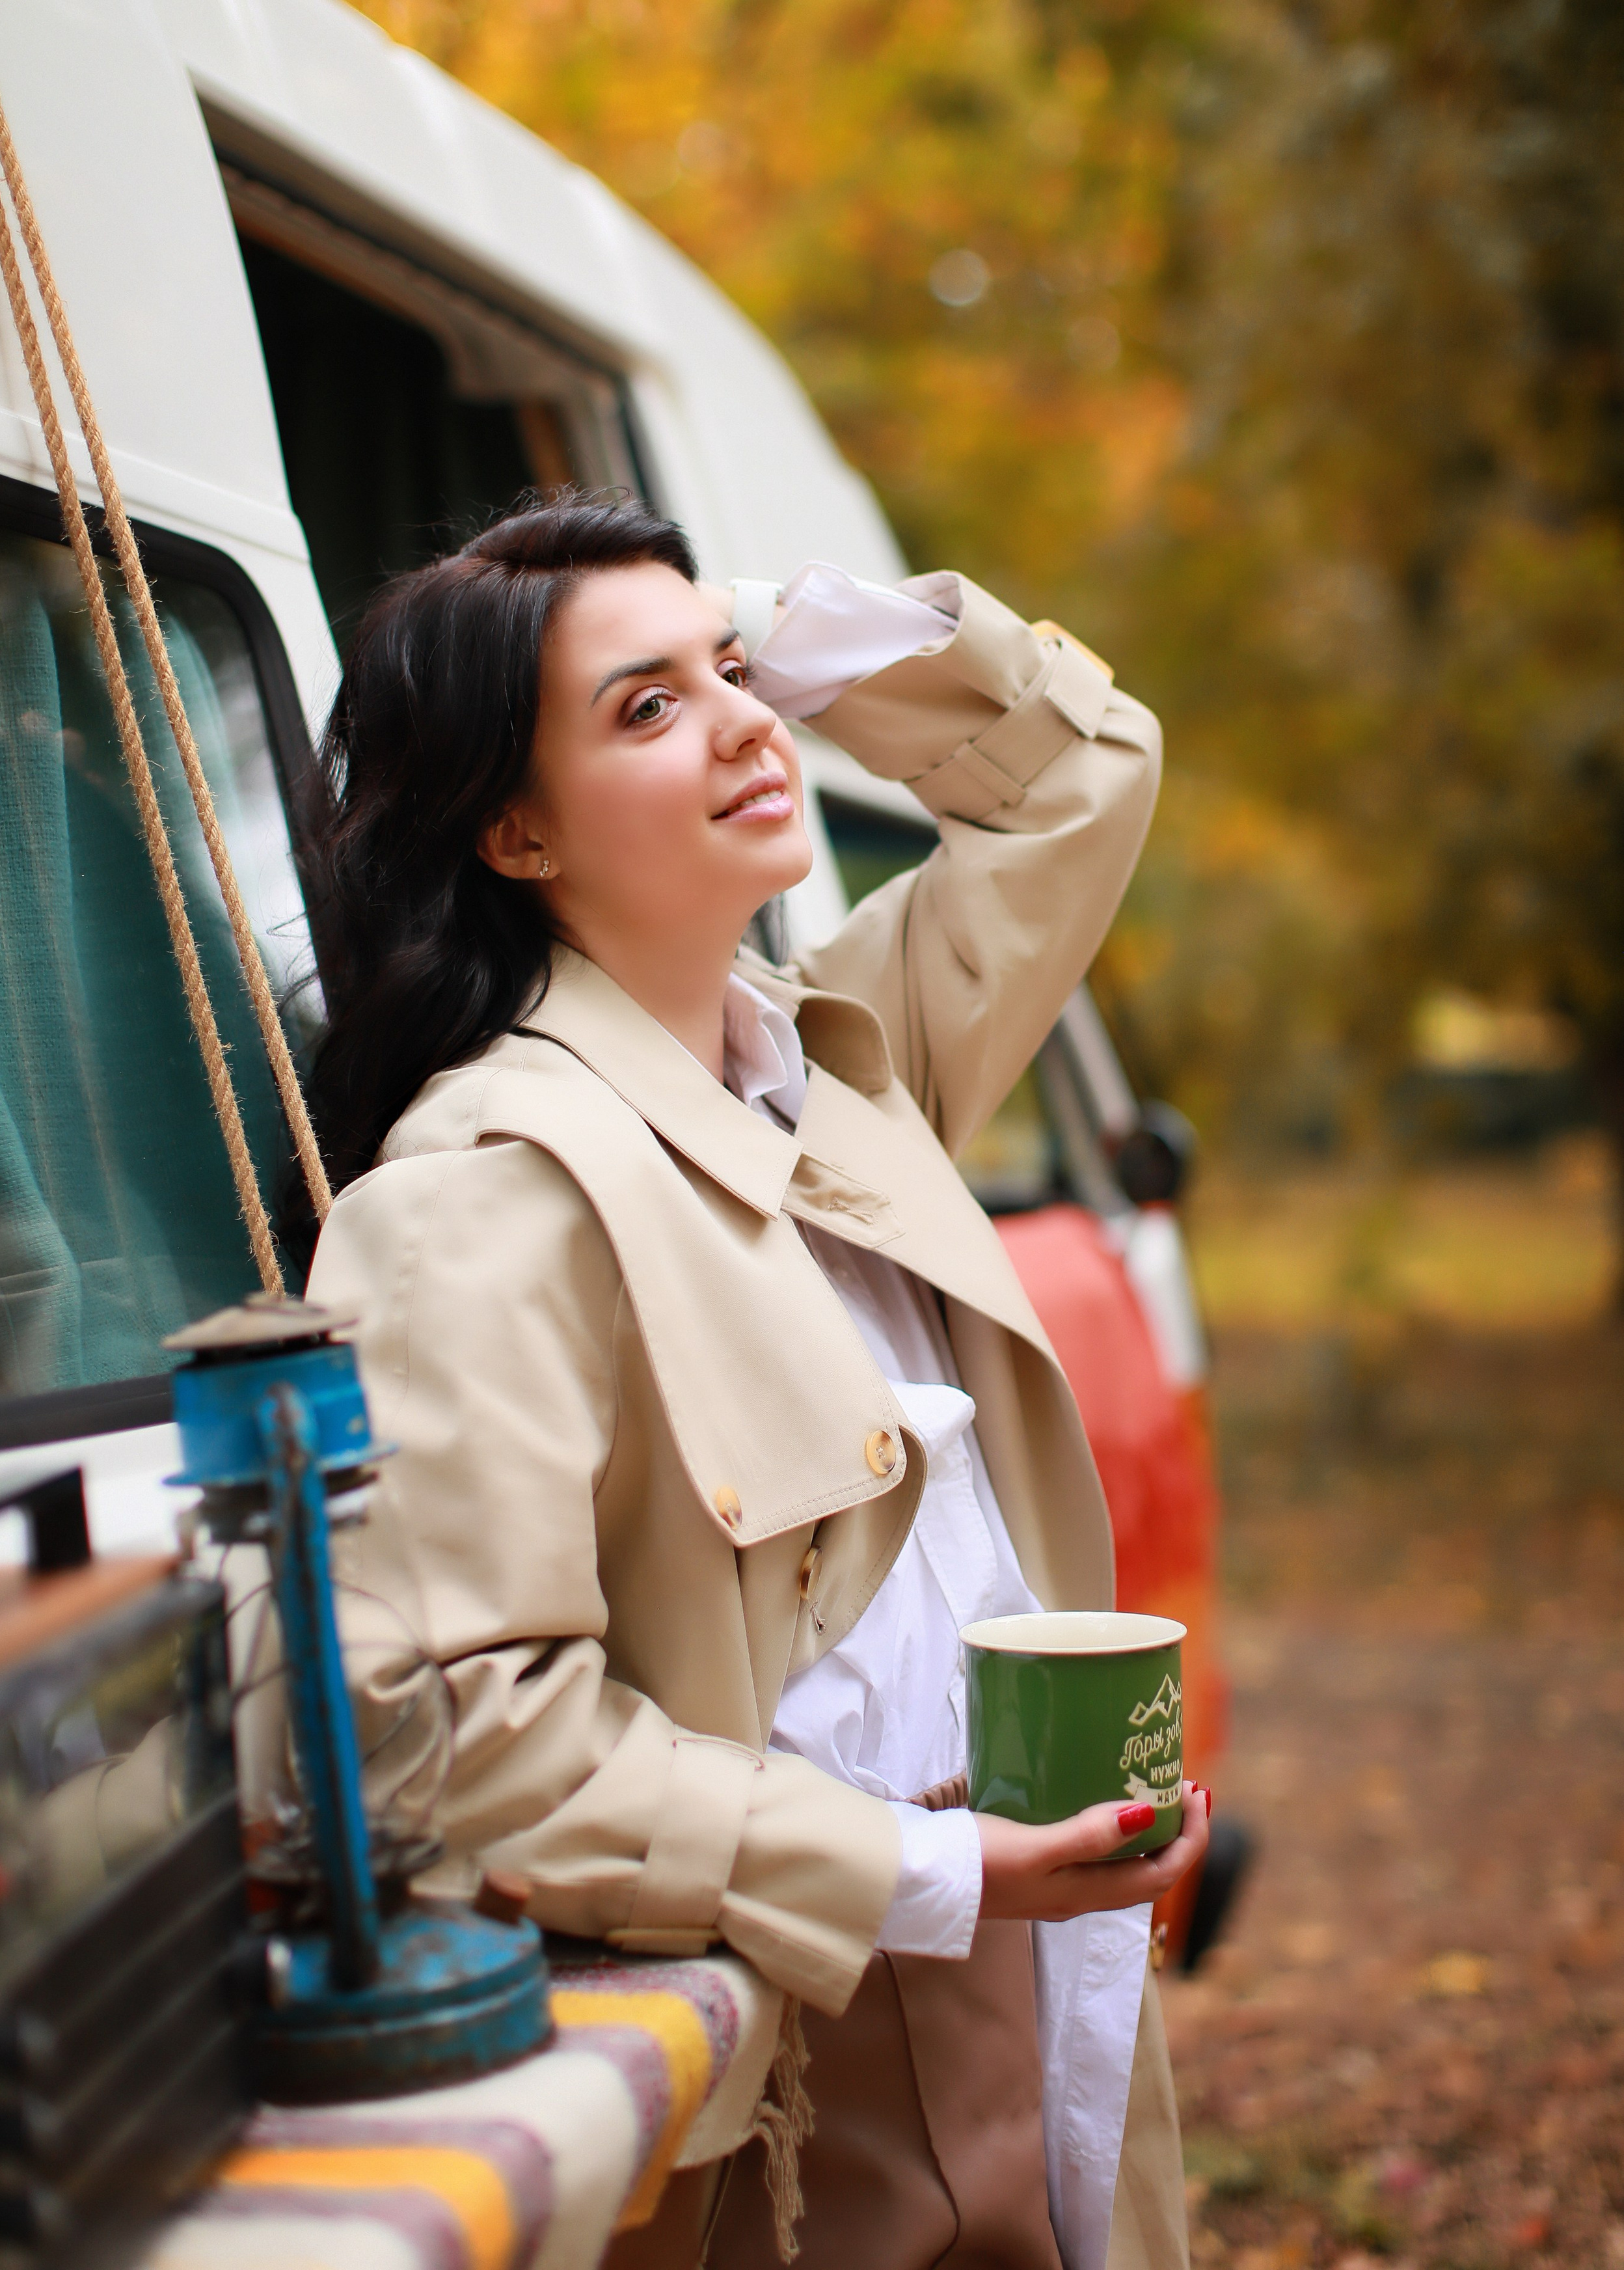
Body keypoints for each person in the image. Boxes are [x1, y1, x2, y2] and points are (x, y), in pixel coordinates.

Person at [299, 491, 1208, 2270]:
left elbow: (1080, 773)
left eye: (736, 676)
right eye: (647, 708)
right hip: (800, 2057)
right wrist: (939, 1876)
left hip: (1047, 1986)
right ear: (514, 828)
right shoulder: (482, 1193)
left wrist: (771, 621)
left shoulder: (842, 1068)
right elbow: (458, 1738)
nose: (742, 724)